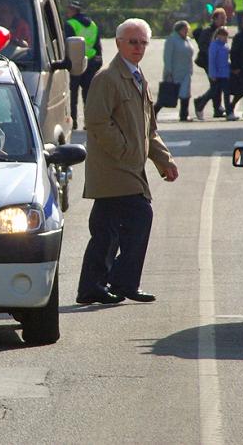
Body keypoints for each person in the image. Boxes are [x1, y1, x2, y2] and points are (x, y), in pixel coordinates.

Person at [76, 18, 178, 305]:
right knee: (139, 217)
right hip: (114, 170)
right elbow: (96, 122)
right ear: (118, 43)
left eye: (143, 42)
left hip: (128, 168)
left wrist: (163, 160)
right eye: (132, 41)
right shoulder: (107, 77)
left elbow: (149, 129)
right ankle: (123, 282)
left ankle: (92, 287)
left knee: (106, 231)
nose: (138, 47)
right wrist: (125, 151)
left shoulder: (137, 76)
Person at [64, 0, 103, 130]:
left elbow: (67, 45)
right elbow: (98, 45)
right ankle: (89, 122)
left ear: (74, 10)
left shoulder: (70, 24)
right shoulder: (92, 24)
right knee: (89, 95)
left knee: (73, 93)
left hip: (75, 62)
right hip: (91, 61)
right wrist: (98, 61)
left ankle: (73, 121)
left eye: (69, 9)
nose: (67, 11)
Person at [154, 20, 195, 121]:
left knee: (186, 94)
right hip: (174, 72)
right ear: (178, 30)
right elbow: (167, 57)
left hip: (186, 72)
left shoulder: (188, 40)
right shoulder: (172, 40)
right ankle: (153, 112)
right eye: (184, 29)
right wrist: (168, 72)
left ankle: (184, 115)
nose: (186, 31)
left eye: (187, 30)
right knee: (168, 95)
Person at [194, 26, 236, 121]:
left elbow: (225, 60)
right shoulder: (214, 45)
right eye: (224, 36)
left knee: (226, 93)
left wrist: (230, 69)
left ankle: (229, 113)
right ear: (218, 36)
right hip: (217, 74)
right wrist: (212, 74)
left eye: (226, 37)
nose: (225, 38)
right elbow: (212, 61)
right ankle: (200, 107)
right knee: (212, 92)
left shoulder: (225, 46)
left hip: (225, 74)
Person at [194, 7, 227, 117]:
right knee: (216, 85)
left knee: (217, 85)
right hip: (208, 62)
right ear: (215, 19)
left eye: (225, 18)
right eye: (222, 18)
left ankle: (217, 109)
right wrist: (212, 56)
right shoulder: (208, 31)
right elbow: (202, 46)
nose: (224, 20)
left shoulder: (222, 31)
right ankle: (200, 102)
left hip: (219, 63)